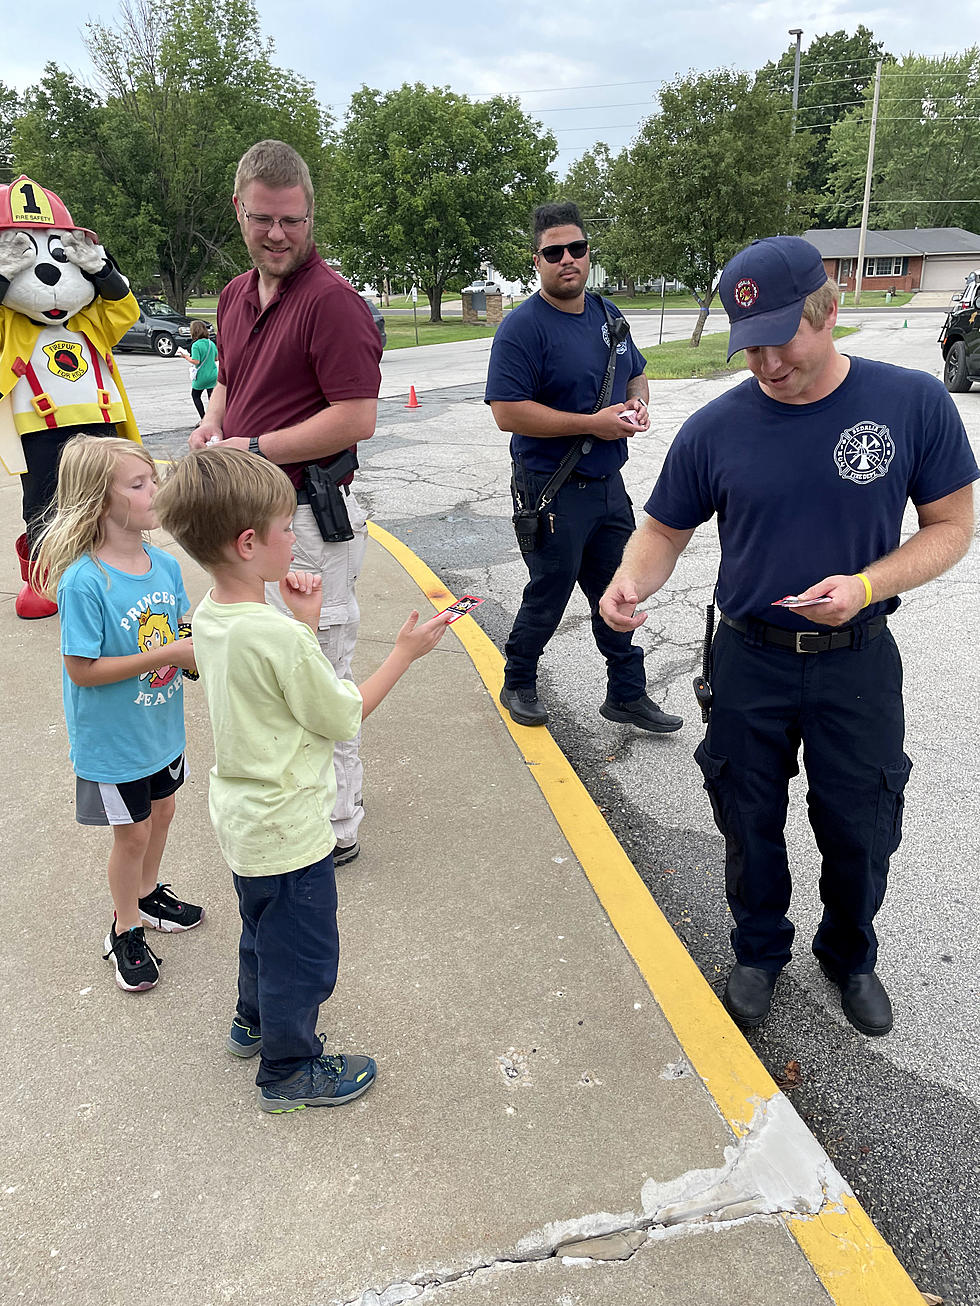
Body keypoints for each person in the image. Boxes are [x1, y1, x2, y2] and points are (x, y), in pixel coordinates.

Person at [600, 236, 978, 1038]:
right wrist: (632, 579)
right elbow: (663, 531)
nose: (766, 363)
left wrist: (869, 585)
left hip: (858, 661)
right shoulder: (716, 427)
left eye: (781, 338)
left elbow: (951, 528)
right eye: (750, 346)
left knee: (861, 819)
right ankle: (758, 950)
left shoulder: (912, 403)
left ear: (830, 310)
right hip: (749, 658)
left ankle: (849, 954)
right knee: (746, 813)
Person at [154, 447, 451, 1112]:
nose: (297, 538)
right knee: (306, 955)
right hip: (288, 827)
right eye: (289, 528)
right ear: (250, 542)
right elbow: (342, 714)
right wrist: (405, 651)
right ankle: (288, 1068)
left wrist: (305, 621)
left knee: (264, 929)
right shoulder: (279, 640)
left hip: (244, 819)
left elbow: (270, 680)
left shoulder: (212, 614)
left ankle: (252, 1023)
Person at [188, 139, 382, 867]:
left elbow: (355, 417)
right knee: (268, 669)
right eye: (264, 218)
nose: (278, 234)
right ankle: (306, 793)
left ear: (310, 217)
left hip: (308, 516)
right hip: (250, 516)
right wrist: (214, 422)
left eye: (293, 220)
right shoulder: (235, 296)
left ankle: (335, 825)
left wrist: (254, 449)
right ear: (239, 210)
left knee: (322, 666)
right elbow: (232, 384)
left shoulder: (333, 304)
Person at [485, 200, 682, 735]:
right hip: (549, 488)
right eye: (555, 252)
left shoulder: (607, 314)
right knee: (549, 591)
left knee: (617, 592)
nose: (567, 259)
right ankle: (519, 681)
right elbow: (507, 412)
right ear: (538, 261)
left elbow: (637, 372)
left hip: (606, 486)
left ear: (588, 253)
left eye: (577, 248)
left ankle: (626, 694)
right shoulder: (522, 329)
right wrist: (590, 424)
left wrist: (639, 404)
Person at [34, 436, 203, 994]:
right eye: (138, 484)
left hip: (159, 726)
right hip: (113, 740)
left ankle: (148, 895)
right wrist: (169, 655)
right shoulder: (86, 580)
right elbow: (83, 669)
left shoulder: (166, 566)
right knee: (130, 835)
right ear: (97, 499)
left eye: (153, 479)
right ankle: (124, 925)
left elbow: (178, 632)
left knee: (164, 812)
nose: (155, 490)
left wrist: (194, 656)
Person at [187, 320, 218, 420]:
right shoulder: (211, 343)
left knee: (195, 396)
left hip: (201, 376)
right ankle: (214, 418)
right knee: (212, 398)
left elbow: (196, 361)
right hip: (213, 374)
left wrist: (185, 357)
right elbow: (216, 358)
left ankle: (203, 418)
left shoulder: (196, 345)